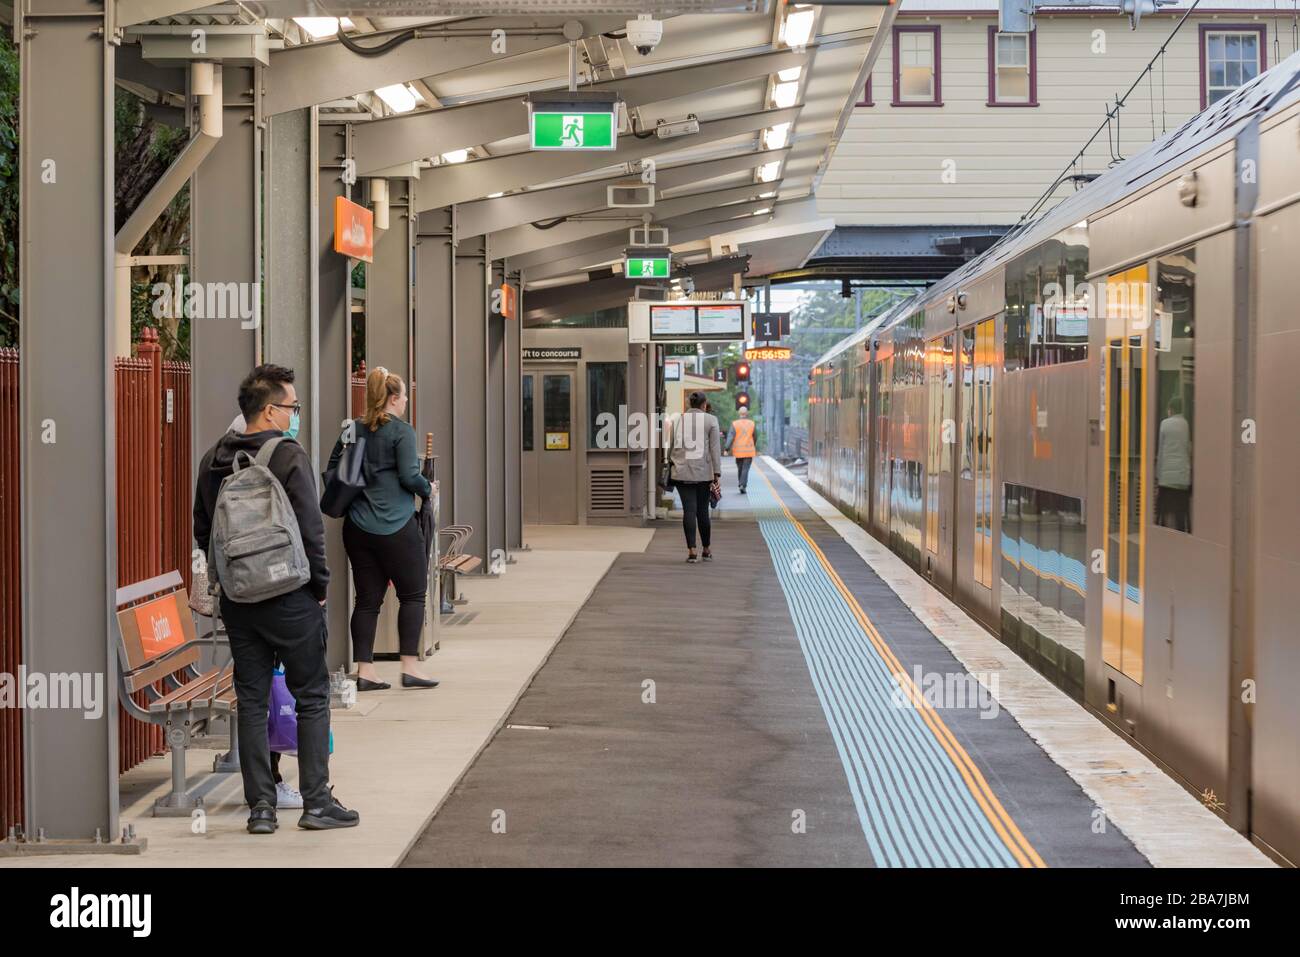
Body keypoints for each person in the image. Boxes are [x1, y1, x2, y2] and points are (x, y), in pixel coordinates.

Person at [194, 364, 358, 834]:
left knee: (250, 700)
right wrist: (321, 588)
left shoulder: (213, 459)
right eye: (292, 407)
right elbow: (310, 529)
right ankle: (317, 803)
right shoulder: (287, 455)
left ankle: (261, 808)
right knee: (311, 695)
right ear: (270, 410)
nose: (295, 415)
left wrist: (230, 586)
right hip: (291, 597)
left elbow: (203, 531)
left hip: (241, 603)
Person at [328, 366, 439, 691]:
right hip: (396, 527)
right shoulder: (402, 431)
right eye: (404, 395)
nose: (406, 400)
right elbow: (408, 475)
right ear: (392, 398)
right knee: (413, 594)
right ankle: (410, 667)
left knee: (366, 600)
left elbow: (334, 467)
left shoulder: (352, 429)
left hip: (357, 528)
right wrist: (427, 488)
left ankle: (365, 671)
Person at [667, 391, 721, 563]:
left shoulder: (677, 419)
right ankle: (706, 549)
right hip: (703, 472)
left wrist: (669, 462)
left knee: (688, 510)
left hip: (681, 471)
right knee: (702, 511)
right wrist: (717, 473)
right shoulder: (711, 420)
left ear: (690, 404)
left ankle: (692, 551)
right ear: (704, 404)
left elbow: (670, 445)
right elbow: (715, 449)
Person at [1156, 394, 1192, 532]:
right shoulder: (1186, 424)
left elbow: (1161, 450)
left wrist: (1158, 475)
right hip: (1182, 477)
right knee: (1181, 513)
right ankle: (1182, 531)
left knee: (1162, 511)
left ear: (1170, 409)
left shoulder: (1164, 424)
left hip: (1166, 478)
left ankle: (1162, 531)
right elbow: (1188, 449)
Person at [725, 406, 757, 493]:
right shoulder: (752, 423)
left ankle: (741, 483)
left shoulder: (735, 424)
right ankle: (742, 484)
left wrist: (726, 448)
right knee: (745, 469)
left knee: (740, 468)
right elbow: (755, 437)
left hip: (738, 451)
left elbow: (730, 437)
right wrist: (753, 445)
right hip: (749, 451)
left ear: (739, 413)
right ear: (747, 413)